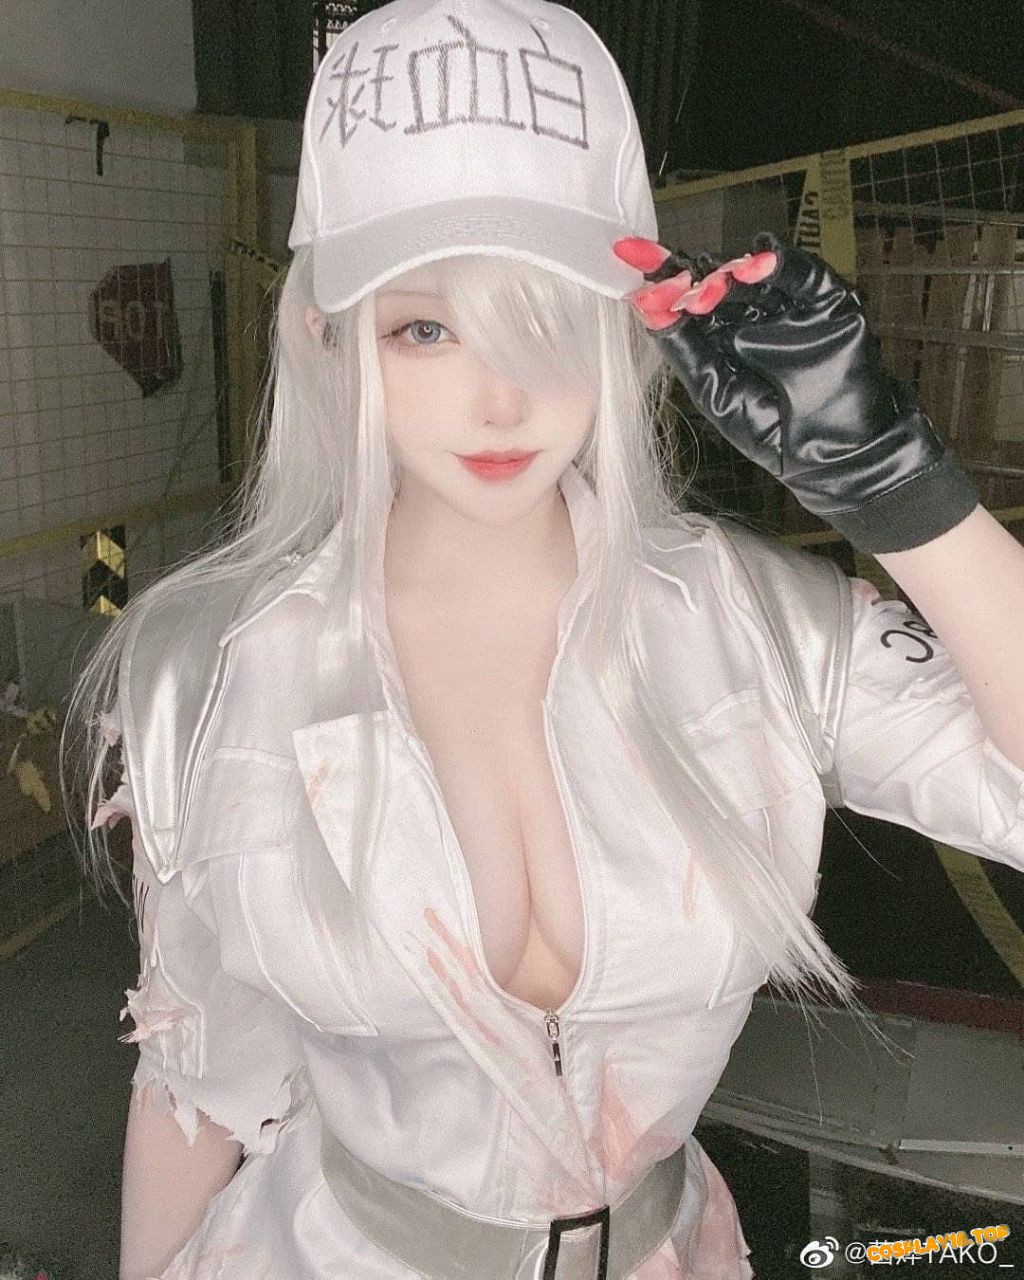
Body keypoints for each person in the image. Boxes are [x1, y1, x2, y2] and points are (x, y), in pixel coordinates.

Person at [64, 1, 1024, 1277]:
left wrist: (907, 498)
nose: (501, 397)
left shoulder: (763, 630)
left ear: (632, 322)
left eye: (551, 318)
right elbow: (195, 1084)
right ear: (327, 333)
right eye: (425, 327)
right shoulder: (210, 673)